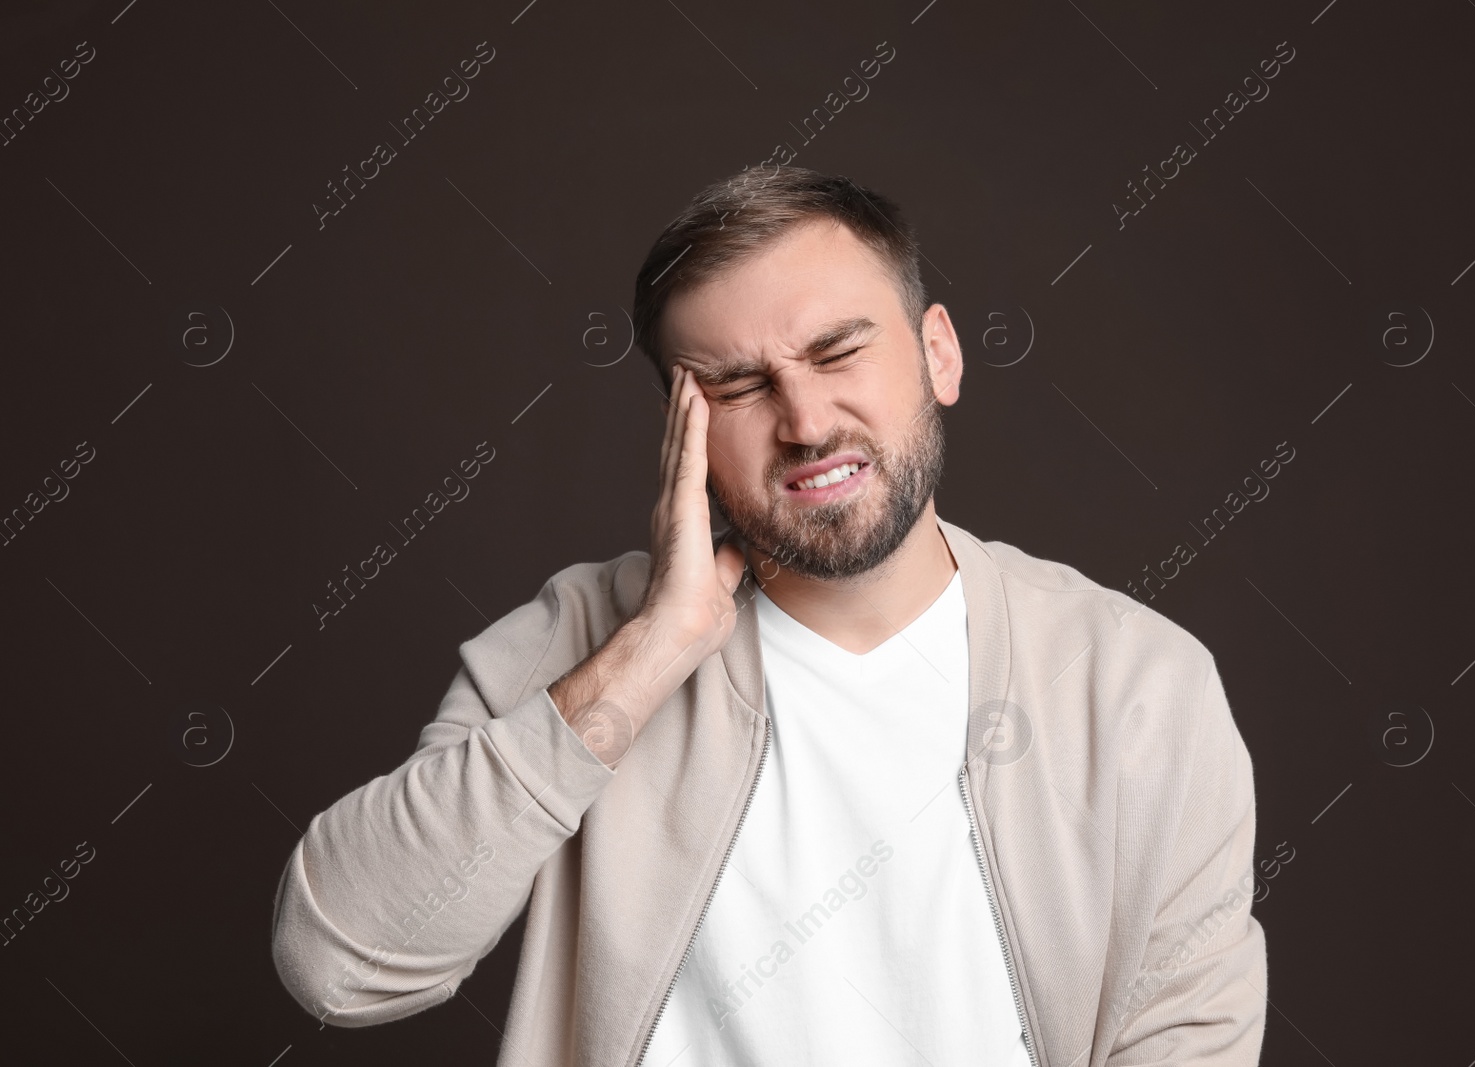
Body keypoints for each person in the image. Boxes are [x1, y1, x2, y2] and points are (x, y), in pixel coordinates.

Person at [270, 166, 1268, 1066]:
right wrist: (649, 656)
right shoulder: (582, 639)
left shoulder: (1135, 682)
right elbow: (339, 964)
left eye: (837, 352)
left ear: (940, 356)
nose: (804, 421)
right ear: (680, 430)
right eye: (738, 386)